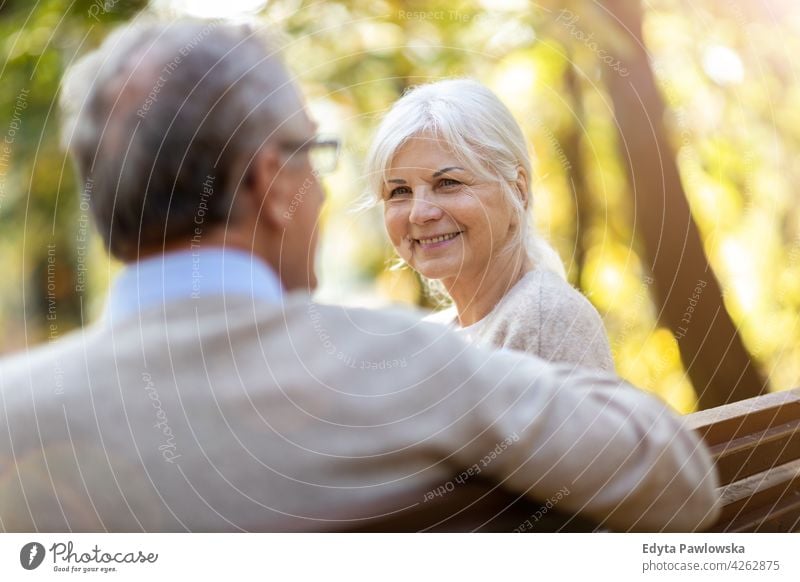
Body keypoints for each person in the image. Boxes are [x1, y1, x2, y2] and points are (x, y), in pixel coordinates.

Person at [0, 19, 718, 532]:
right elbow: (680, 484)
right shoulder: (413, 371)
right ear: (271, 183)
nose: (417, 211)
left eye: (447, 182)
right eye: (315, 156)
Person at [365, 79, 613, 371]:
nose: (419, 214)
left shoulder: (546, 317)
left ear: (518, 189)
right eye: (399, 192)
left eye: (448, 183)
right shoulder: (435, 337)